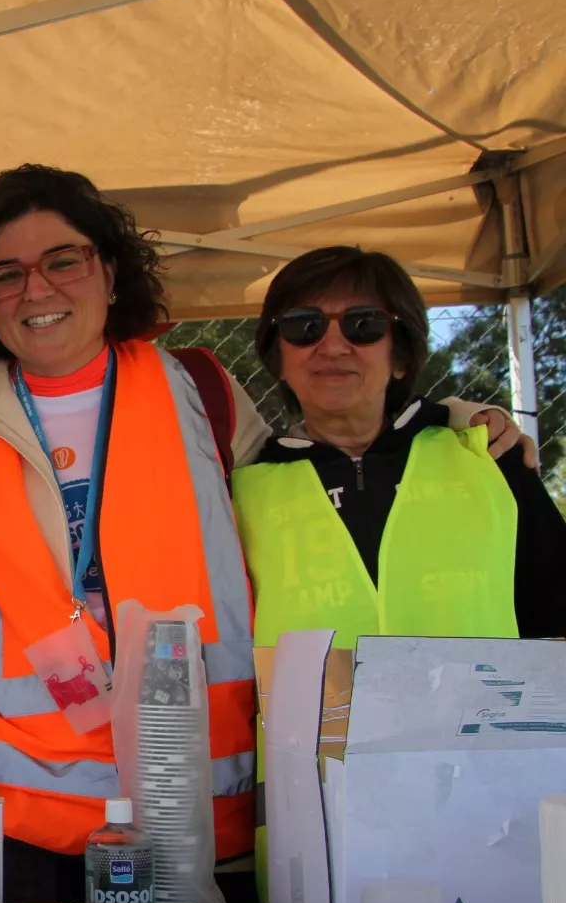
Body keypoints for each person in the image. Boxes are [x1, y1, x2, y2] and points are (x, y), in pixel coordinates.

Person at [0, 164, 528, 903]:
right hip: (20, 820)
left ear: (109, 272)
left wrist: (454, 421)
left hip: (201, 808)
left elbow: (317, 464)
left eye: (63, 260)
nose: (36, 290)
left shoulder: (200, 386)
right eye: (5, 273)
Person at [232, 245, 566, 648]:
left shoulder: (490, 456)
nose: (333, 345)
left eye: (363, 324)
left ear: (401, 356)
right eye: (304, 326)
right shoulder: (240, 493)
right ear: (278, 358)